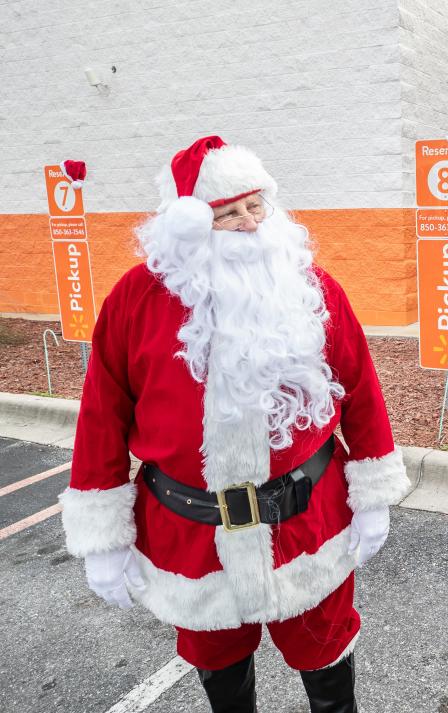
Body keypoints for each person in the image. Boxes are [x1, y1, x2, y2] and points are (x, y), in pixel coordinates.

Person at [58, 135, 411, 713]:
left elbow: (361, 391)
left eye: (255, 207)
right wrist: (103, 537)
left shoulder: (311, 287)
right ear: (189, 226)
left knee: (327, 664)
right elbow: (102, 416)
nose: (248, 224)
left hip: (308, 523)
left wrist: (373, 496)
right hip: (191, 539)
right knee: (221, 676)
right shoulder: (134, 299)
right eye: (227, 214)